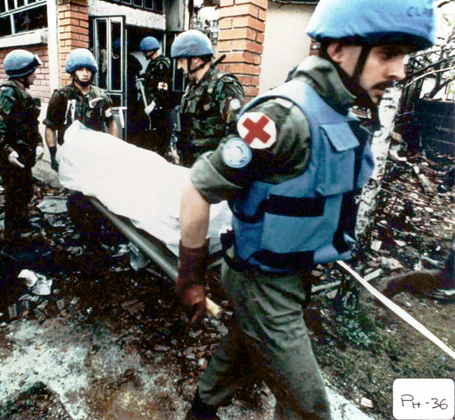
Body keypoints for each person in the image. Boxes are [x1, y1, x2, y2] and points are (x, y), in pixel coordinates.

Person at [175, 1, 436, 419]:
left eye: (404, 57)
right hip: (262, 283)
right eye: (388, 54)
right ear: (338, 49)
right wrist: (190, 280)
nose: (400, 71)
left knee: (240, 354)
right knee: (309, 409)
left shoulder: (336, 114)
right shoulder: (284, 117)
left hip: (290, 276)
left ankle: (200, 412)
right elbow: (197, 188)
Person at [0, 49, 43, 256]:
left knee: (24, 191)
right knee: (15, 194)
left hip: (22, 155)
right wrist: (8, 152)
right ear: (23, 73)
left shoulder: (20, 92)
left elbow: (30, 125)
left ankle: (21, 225)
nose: (36, 74)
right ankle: (13, 237)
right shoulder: (6, 93)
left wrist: (39, 144)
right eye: (33, 70)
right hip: (12, 158)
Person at [171, 30, 244, 167]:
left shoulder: (224, 85)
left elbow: (236, 132)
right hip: (190, 163)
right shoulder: (192, 86)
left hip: (211, 167)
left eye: (181, 60)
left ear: (196, 59)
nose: (179, 67)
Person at [44, 48, 118, 169]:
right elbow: (50, 127)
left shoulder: (102, 96)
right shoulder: (61, 96)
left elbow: (111, 123)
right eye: (80, 69)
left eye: (88, 69)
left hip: (95, 152)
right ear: (73, 72)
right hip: (70, 154)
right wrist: (53, 155)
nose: (85, 73)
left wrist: (114, 148)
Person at [136, 36, 172, 157]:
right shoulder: (152, 64)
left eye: (145, 52)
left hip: (158, 109)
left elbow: (162, 89)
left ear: (151, 50)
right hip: (150, 106)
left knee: (158, 138)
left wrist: (153, 104)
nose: (144, 54)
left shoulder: (162, 64)